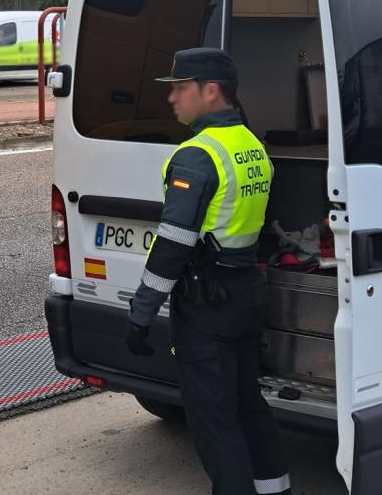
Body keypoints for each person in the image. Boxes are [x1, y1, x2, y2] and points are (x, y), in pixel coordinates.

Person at [125, 48, 289, 495]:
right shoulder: (251, 145)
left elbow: (173, 246)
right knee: (248, 405)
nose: (172, 99)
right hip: (244, 293)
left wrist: (142, 314)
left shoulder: (197, 155)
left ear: (209, 90)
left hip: (206, 303)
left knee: (214, 419)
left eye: (180, 88)